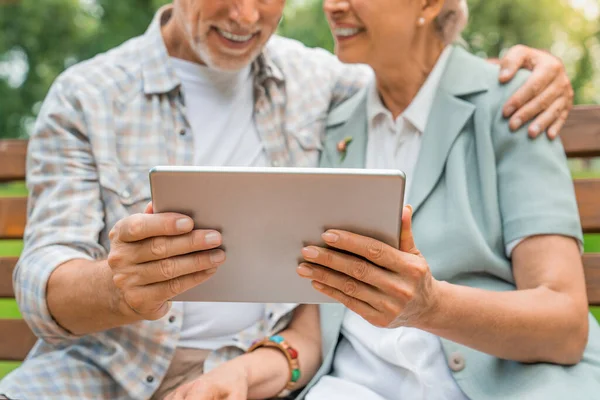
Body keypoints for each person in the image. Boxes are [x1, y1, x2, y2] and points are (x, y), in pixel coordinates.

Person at [0, 0, 577, 399]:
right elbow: (41, 280)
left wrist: (532, 70)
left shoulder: (321, 82)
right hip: (109, 370)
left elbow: (422, 72)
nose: (246, 16)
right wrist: (115, 286)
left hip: (250, 368)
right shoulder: (87, 96)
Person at [291, 0, 598, 399]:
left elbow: (565, 324)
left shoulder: (517, 101)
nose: (333, 5)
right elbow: (317, 318)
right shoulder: (336, 126)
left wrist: (430, 306)